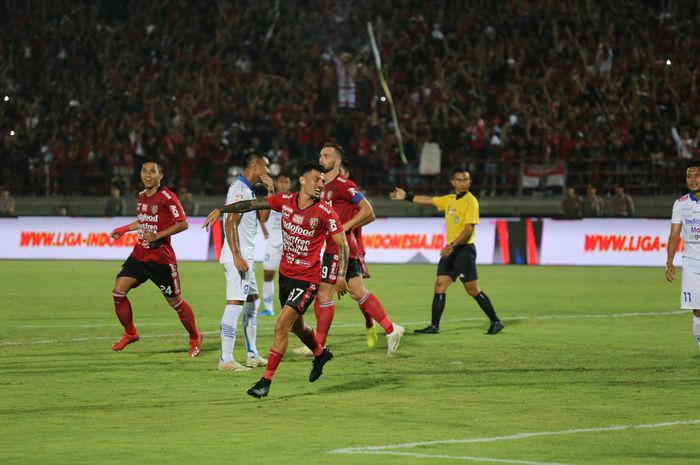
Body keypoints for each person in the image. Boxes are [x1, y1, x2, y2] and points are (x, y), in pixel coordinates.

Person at [202, 163, 349, 399]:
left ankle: (265, 381)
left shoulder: (325, 211)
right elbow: (251, 205)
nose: (321, 184)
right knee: (297, 327)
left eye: (323, 180)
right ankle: (320, 353)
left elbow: (343, 245)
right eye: (316, 179)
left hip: (308, 279)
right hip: (287, 276)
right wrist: (222, 209)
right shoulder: (285, 201)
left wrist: (340, 274)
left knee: (281, 327)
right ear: (302, 180)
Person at [306, 142, 404, 357]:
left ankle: (317, 346)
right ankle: (391, 328)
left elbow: (369, 211)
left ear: (337, 161)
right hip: (335, 247)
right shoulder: (322, 187)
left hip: (340, 248)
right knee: (358, 292)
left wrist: (345, 226)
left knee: (323, 295)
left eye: (327, 155)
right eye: (321, 155)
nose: (322, 158)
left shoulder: (343, 184)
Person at [390, 167, 504, 335]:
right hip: (451, 250)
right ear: (453, 182)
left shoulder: (471, 202)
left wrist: (452, 246)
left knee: (472, 289)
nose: (463, 182)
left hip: (464, 250)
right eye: (459, 179)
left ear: (470, 182)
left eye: (466, 180)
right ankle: (434, 326)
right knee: (440, 286)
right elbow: (430, 200)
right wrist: (407, 196)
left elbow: (468, 230)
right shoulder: (450, 199)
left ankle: (496, 321)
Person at [109, 160, 202, 357]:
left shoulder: (168, 197)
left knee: (175, 302)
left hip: (161, 259)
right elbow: (143, 221)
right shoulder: (142, 196)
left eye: (152, 171)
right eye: (144, 171)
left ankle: (195, 337)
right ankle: (130, 332)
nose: (148, 174)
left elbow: (183, 223)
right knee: (118, 292)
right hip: (140, 255)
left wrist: (157, 236)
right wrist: (124, 229)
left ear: (161, 176)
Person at [217, 151, 273, 372]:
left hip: (246, 258)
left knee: (253, 303)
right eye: (265, 166)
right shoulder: (239, 189)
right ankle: (226, 359)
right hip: (237, 258)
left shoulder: (249, 190)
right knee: (235, 304)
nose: (268, 171)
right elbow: (230, 222)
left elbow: (264, 218)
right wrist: (237, 255)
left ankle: (252, 354)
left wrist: (270, 191)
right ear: (255, 166)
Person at [666, 160, 700, 351]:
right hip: (692, 261)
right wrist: (669, 262)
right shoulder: (680, 204)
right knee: (697, 308)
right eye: (689, 176)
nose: (693, 179)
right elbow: (674, 234)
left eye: (697, 175)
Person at [258, 173, 293, 317]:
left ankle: (291, 308)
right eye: (281, 181)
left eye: (286, 181)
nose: (283, 184)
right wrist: (265, 230)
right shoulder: (271, 199)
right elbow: (261, 216)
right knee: (268, 275)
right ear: (276, 184)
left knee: (290, 278)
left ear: (290, 185)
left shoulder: (294, 200)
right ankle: (268, 308)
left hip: (289, 245)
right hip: (272, 245)